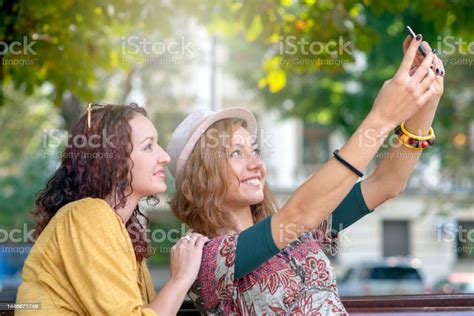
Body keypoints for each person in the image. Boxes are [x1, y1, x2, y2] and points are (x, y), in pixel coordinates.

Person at [166, 35, 444, 314]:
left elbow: (386, 184)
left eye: (254, 150)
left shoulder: (297, 234)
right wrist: (382, 118)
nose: (255, 163)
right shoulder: (204, 258)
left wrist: (427, 98)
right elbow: (299, 213)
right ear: (201, 176)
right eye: (236, 153)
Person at [16, 103, 208, 315]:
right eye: (148, 146)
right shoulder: (88, 215)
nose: (164, 156)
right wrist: (181, 278)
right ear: (112, 160)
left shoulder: (122, 232)